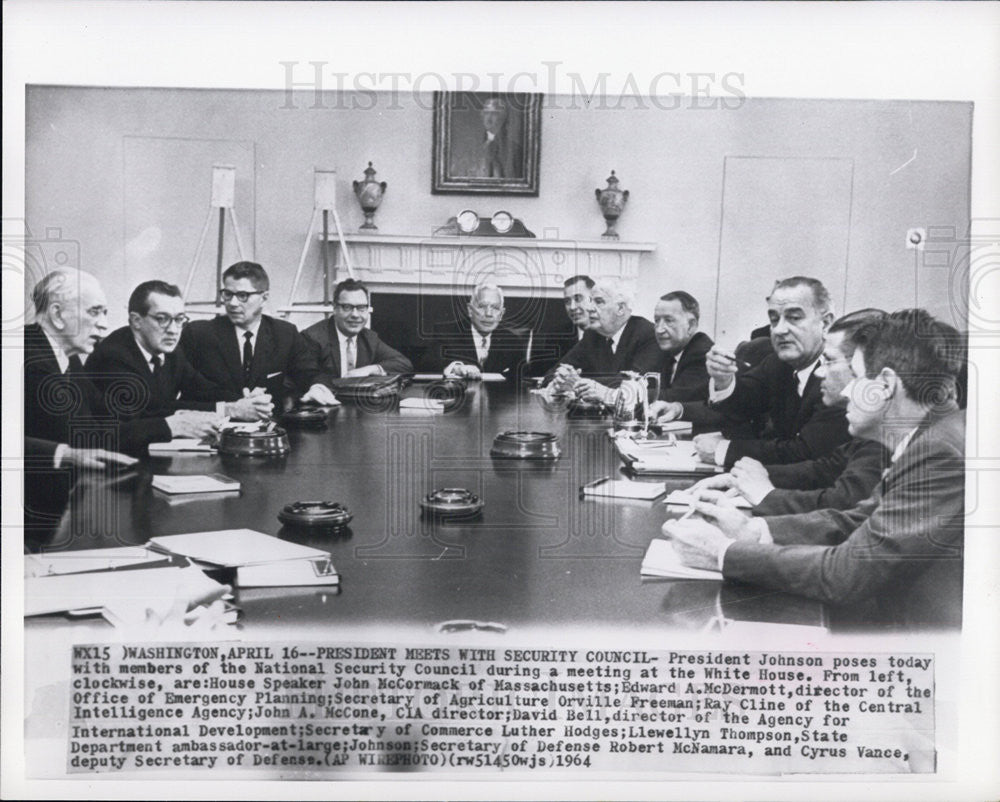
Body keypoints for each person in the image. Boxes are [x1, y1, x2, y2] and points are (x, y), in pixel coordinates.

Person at [665, 309, 965, 628]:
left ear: (887, 384)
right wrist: (754, 531)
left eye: (857, 375)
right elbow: (856, 520)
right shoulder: (931, 436)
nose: (847, 390)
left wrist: (724, 554)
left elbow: (847, 574)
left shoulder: (939, 451)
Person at [689, 309, 889, 514]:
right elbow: (825, 470)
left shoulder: (891, 441)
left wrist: (766, 496)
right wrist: (745, 478)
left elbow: (843, 506)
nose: (820, 372)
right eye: (774, 319)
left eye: (829, 361)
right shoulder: (875, 436)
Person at [655, 276, 850, 468]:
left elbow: (805, 452)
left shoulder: (840, 375)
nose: (779, 330)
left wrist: (725, 450)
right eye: (774, 320)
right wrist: (724, 379)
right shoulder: (777, 363)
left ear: (826, 323)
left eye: (794, 318)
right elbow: (744, 402)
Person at [23, 270, 138, 534]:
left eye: (105, 313)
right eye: (94, 312)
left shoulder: (67, 358)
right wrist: (167, 427)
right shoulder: (29, 358)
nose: (104, 325)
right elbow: (82, 437)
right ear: (57, 314)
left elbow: (108, 414)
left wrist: (177, 419)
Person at [88, 281, 272, 445]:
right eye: (162, 319)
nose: (174, 330)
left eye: (179, 319)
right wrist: (231, 409)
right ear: (136, 320)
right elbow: (153, 411)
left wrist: (245, 402)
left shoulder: (168, 350)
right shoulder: (114, 356)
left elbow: (203, 389)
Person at [179, 261, 337, 412]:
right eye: (227, 294)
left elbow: (310, 373)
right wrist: (237, 405)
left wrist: (317, 387)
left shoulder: (284, 334)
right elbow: (183, 393)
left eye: (242, 295)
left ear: (264, 298)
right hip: (211, 428)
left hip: (267, 431)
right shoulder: (198, 334)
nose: (232, 303)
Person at [548, 276, 661, 400]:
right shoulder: (592, 335)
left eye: (599, 302)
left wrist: (575, 382)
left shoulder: (648, 334)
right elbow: (553, 373)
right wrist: (561, 378)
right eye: (590, 301)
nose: (590, 308)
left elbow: (635, 383)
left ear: (620, 308)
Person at [302, 279, 412, 378]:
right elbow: (307, 378)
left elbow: (404, 364)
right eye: (347, 307)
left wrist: (370, 369)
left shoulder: (369, 338)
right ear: (335, 308)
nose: (355, 315)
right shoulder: (312, 338)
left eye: (361, 308)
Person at [421, 283, 529, 379]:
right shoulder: (446, 332)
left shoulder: (512, 341)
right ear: (470, 310)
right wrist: (456, 368)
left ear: (501, 314)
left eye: (495, 308)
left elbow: (521, 379)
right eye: (482, 307)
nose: (488, 314)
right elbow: (428, 365)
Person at [653, 291, 713, 403]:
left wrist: (627, 392)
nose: (659, 329)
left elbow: (675, 398)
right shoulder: (668, 351)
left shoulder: (703, 354)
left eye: (668, 320)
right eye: (657, 320)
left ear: (691, 326)